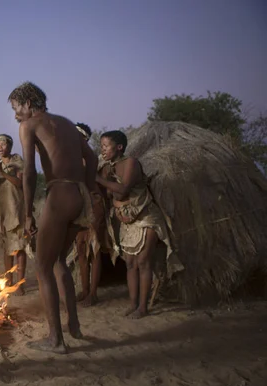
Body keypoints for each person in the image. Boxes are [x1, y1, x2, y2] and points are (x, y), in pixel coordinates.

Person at [9, 82, 98, 354]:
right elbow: (92, 159)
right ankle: (74, 325)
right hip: (78, 194)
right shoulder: (68, 124)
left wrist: (27, 214)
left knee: (43, 267)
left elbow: (29, 172)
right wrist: (88, 189)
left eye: (16, 108)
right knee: (59, 261)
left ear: (28, 103)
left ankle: (55, 340)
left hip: (58, 194)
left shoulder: (29, 126)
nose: (15, 115)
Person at [95, 130, 182, 319]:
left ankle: (143, 307)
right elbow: (110, 196)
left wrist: (100, 179)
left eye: (105, 146)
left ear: (119, 147)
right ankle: (133, 303)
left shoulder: (131, 163)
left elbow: (124, 189)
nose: (102, 150)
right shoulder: (107, 168)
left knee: (143, 262)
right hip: (127, 220)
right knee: (130, 263)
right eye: (101, 146)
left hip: (145, 216)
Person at [71, 122, 106, 307]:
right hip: (79, 207)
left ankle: (93, 293)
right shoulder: (70, 157)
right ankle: (85, 290)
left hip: (92, 204)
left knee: (95, 250)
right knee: (81, 249)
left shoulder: (89, 157)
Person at [0, 134, 27, 295]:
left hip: (17, 209)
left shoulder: (17, 161)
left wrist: (4, 173)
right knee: (7, 249)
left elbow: (20, 183)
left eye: (3, 144)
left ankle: (20, 283)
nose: (0, 147)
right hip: (4, 211)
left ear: (10, 146)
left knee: (20, 248)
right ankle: (9, 281)